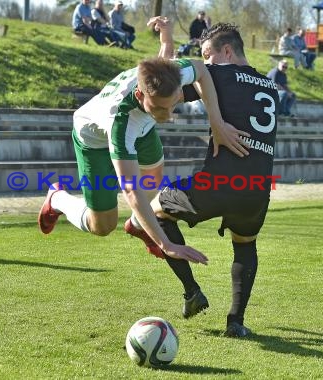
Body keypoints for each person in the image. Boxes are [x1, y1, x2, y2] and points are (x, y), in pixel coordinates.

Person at [38, 16, 250, 265]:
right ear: (140, 95)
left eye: (172, 107)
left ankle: (139, 226)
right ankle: (57, 199)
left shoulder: (171, 76)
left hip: (143, 126)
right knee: (103, 225)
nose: (168, 116)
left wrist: (217, 122)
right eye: (161, 109)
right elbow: (131, 190)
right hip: (92, 139)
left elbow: (200, 70)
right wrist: (166, 244)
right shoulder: (121, 124)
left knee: (154, 177)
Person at [129, 21, 279, 338]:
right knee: (245, 245)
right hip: (257, 189)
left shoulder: (218, 74)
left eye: (208, 54)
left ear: (227, 51)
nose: (206, 62)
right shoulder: (268, 86)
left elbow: (164, 85)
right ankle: (235, 322)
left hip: (219, 182)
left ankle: (191, 291)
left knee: (150, 213)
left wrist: (165, 42)